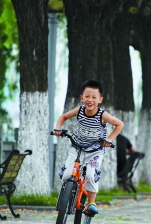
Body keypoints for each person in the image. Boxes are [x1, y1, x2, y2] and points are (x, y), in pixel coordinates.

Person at [53, 80, 124, 215]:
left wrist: (108, 140)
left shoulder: (102, 114)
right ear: (82, 98)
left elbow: (119, 124)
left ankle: (91, 202)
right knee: (67, 175)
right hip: (77, 147)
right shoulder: (79, 110)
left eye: (94, 97)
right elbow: (63, 117)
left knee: (91, 175)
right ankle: (68, 195)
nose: (90, 100)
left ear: (100, 99)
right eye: (87, 96)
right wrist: (57, 128)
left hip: (95, 150)